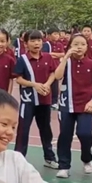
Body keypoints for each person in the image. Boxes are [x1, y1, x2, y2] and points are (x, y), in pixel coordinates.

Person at [51, 34, 92, 178]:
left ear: (87, 47)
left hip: (86, 106)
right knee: (65, 135)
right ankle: (64, 166)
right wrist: (65, 57)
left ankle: (87, 159)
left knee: (84, 134)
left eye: (82, 44)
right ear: (70, 46)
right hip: (66, 105)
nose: (79, 47)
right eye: (75, 44)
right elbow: (57, 76)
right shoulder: (66, 63)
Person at [13, 30, 59, 166]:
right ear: (26, 44)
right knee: (23, 130)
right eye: (32, 41)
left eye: (38, 40)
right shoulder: (22, 59)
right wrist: (34, 85)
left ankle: (49, 158)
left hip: (44, 100)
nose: (36, 43)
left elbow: (53, 73)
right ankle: (19, 159)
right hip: (28, 101)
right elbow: (18, 79)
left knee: (46, 130)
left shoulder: (48, 57)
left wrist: (47, 85)